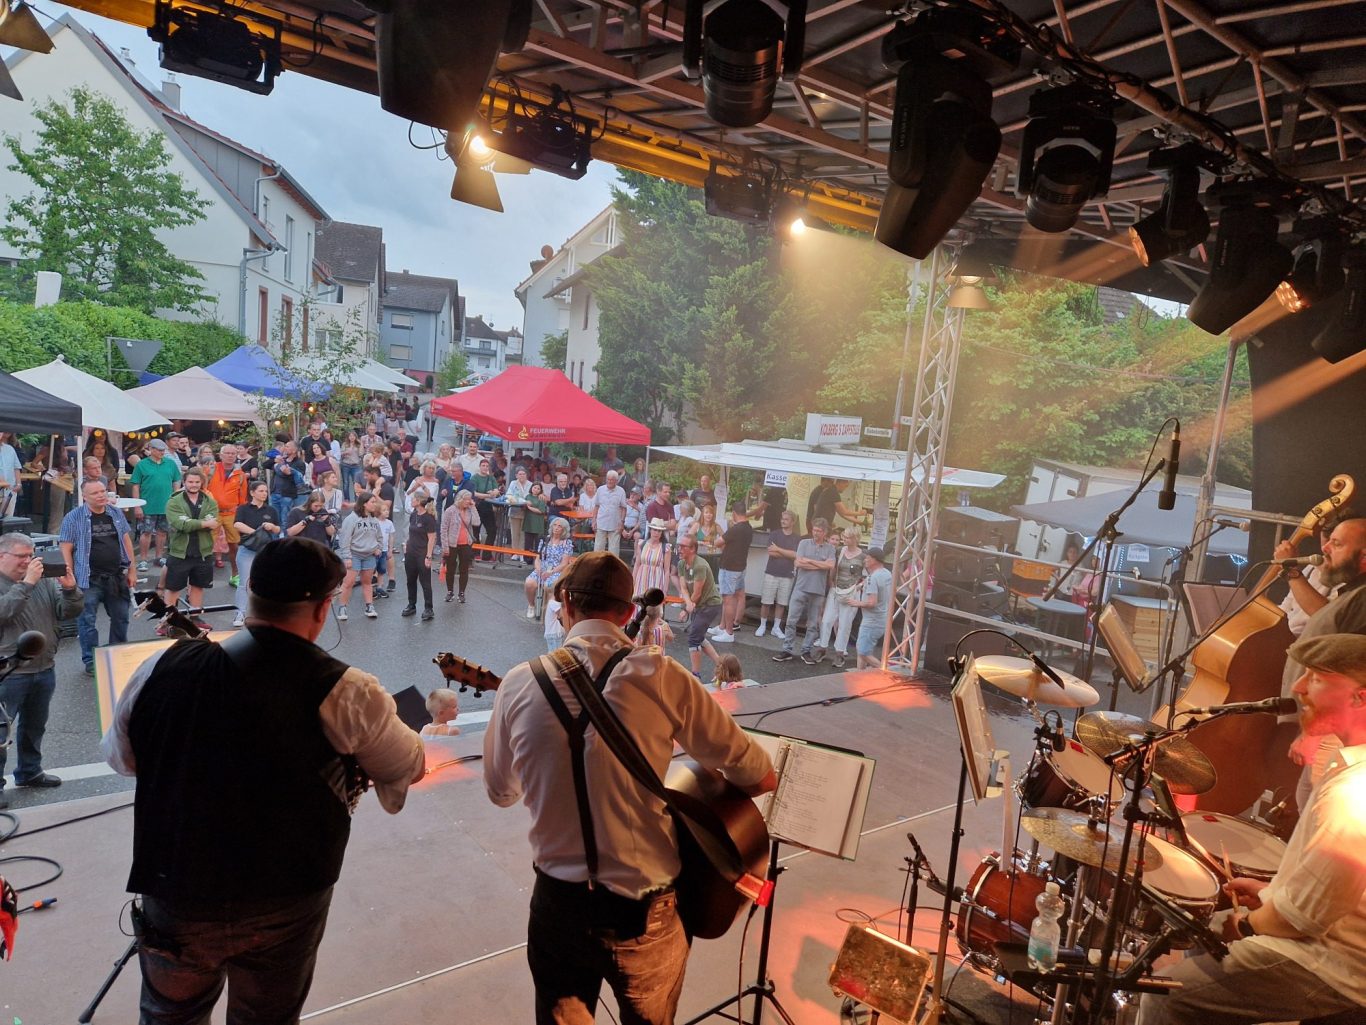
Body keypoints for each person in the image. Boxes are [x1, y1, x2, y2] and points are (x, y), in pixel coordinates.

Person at [101, 537, 425, 1023]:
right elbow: (407, 766)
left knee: (169, 1015)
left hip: (176, 887)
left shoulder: (160, 665)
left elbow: (121, 760)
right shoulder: (347, 690)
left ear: (250, 589)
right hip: (286, 894)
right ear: (323, 608)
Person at [483, 551, 776, 1025]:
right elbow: (760, 775)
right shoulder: (662, 675)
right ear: (626, 612)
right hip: (645, 913)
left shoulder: (520, 682)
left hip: (558, 906)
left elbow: (501, 791)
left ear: (565, 603)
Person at [1136, 632, 1366, 1025]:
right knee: (1203, 935)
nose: (1296, 687)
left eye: (1315, 677)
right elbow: (1333, 891)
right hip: (1326, 941)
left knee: (1164, 995)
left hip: (1329, 966)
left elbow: (1301, 921)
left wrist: (1243, 923)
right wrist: (1270, 893)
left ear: (1359, 697)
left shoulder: (1351, 796)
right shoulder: (1348, 771)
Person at [0, 534, 81, 806]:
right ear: (2, 556)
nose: (29, 561)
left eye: (31, 554)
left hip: (44, 667)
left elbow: (65, 612)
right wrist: (26, 584)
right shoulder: (23, 581)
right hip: (9, 672)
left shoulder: (42, 580)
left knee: (34, 726)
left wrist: (70, 590)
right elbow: (3, 612)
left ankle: (29, 771)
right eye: (22, 556)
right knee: (1, 734)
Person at [60, 479, 137, 675]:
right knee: (87, 622)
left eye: (103, 491)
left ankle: (117, 653)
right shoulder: (73, 517)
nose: (101, 495)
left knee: (121, 617)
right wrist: (69, 576)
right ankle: (91, 661)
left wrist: (132, 570)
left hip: (116, 576)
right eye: (95, 493)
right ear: (84, 497)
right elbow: (65, 548)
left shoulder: (115, 513)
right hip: (88, 579)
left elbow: (126, 542)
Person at [773, 518, 836, 664]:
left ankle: (806, 650)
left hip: (818, 590)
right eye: (814, 530)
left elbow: (830, 566)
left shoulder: (830, 548)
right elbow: (798, 562)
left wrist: (810, 561)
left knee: (813, 623)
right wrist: (820, 564)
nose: (815, 533)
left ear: (825, 532)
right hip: (800, 587)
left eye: (819, 531)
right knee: (791, 620)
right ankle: (787, 649)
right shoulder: (803, 543)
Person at [163, 469, 219, 621]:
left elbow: (213, 522)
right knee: (173, 588)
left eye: (197, 482)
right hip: (180, 552)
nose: (194, 485)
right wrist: (204, 523)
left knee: (198, 586)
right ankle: (168, 620)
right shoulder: (174, 501)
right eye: (190, 482)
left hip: (203, 551)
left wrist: (193, 523)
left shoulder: (209, 501)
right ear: (184, 482)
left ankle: (195, 618)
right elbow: (181, 524)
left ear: (201, 483)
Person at [814, 527, 867, 669]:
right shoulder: (840, 551)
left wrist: (859, 586)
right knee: (826, 620)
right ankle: (822, 648)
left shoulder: (863, 556)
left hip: (851, 592)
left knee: (845, 624)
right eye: (844, 536)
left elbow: (867, 575)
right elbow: (834, 568)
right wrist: (831, 582)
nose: (845, 539)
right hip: (836, 589)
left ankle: (839, 653)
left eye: (848, 537)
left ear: (856, 538)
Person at [233, 481, 282, 629]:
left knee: (265, 582)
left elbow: (278, 529)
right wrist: (256, 532)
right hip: (247, 550)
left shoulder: (271, 510)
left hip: (265, 551)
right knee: (244, 583)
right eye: (261, 491)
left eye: (265, 491)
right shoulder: (243, 509)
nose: (264, 494)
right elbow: (237, 524)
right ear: (252, 493)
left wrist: (272, 527)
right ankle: (240, 612)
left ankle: (264, 614)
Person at [674, 535, 724, 680]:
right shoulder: (682, 563)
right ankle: (722, 667)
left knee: (694, 638)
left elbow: (697, 592)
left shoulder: (700, 565)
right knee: (699, 637)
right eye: (679, 545)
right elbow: (683, 588)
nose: (680, 548)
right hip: (699, 605)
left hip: (710, 604)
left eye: (683, 546)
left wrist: (686, 609)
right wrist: (687, 605)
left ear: (692, 549)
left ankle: (695, 675)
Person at [129, 438, 182, 572]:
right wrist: (137, 505)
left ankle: (159, 557)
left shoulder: (170, 464)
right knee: (145, 532)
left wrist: (176, 499)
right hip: (147, 504)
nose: (162, 452)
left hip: (166, 504)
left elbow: (176, 481)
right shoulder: (141, 465)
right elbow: (136, 486)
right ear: (151, 450)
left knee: (162, 532)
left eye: (163, 450)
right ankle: (143, 559)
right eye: (159, 450)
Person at [336, 492, 385, 621]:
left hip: (369, 555)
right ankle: (342, 607)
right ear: (364, 504)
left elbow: (379, 537)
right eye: (372, 502)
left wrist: (379, 548)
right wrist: (347, 557)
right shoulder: (351, 519)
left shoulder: (374, 520)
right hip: (354, 554)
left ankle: (369, 606)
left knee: (367, 582)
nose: (375, 504)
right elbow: (345, 539)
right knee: (349, 582)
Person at [205, 443, 248, 586]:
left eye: (233, 453)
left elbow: (242, 498)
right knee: (206, 544)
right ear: (220, 455)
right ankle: (203, 576)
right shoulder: (210, 469)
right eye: (227, 453)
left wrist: (241, 515)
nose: (230, 456)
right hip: (212, 513)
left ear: (236, 456)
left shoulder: (240, 474)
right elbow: (203, 489)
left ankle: (235, 575)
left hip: (231, 513)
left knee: (235, 545)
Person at [712, 501, 753, 643]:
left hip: (729, 568)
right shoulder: (749, 528)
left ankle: (729, 633)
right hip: (741, 567)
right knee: (737, 595)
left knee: (728, 600)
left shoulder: (736, 529)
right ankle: (722, 626)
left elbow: (718, 542)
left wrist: (723, 531)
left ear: (735, 513)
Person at [757, 509, 800, 639]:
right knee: (766, 601)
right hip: (772, 572)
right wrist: (787, 553)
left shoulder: (797, 538)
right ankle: (762, 625)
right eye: (782, 518)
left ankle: (776, 627)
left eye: (786, 519)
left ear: (793, 522)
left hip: (787, 574)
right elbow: (771, 552)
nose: (783, 521)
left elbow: (796, 555)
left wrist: (779, 549)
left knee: (782, 602)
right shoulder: (774, 534)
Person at [525, 517, 576, 618]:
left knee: (549, 585)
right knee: (529, 582)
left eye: (559, 526)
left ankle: (548, 613)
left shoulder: (567, 543)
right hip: (542, 569)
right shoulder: (545, 539)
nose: (556, 528)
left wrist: (551, 572)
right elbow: (538, 558)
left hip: (556, 571)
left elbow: (564, 563)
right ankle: (531, 605)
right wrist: (538, 568)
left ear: (564, 530)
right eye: (555, 525)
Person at [851, 548, 893, 669]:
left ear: (874, 560)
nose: (865, 560)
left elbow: (871, 603)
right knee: (861, 649)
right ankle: (860, 675)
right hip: (881, 618)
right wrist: (862, 584)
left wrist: (856, 603)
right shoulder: (886, 573)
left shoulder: (872, 578)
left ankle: (886, 673)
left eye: (867, 557)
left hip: (872, 621)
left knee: (863, 652)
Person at [402, 491, 437, 621]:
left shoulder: (429, 518)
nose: (411, 501)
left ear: (419, 501)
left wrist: (428, 556)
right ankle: (412, 605)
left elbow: (432, 538)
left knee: (425, 582)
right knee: (410, 580)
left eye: (413, 499)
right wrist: (406, 544)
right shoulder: (413, 515)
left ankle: (429, 608)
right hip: (410, 552)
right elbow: (411, 532)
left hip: (422, 553)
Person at [440, 489, 480, 604]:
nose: (468, 501)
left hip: (466, 543)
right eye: (467, 499)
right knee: (451, 569)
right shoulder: (450, 511)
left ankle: (462, 592)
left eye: (470, 499)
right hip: (452, 543)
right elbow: (443, 529)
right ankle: (450, 591)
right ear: (460, 499)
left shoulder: (469, 510)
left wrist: (473, 507)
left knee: (464, 569)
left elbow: (476, 522)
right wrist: (445, 546)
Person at [591, 469, 629, 558]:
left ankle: (612, 568)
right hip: (601, 522)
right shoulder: (600, 489)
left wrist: (622, 523)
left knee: (614, 550)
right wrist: (593, 520)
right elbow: (596, 506)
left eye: (612, 479)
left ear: (616, 481)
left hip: (615, 524)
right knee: (598, 548)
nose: (609, 481)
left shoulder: (621, 491)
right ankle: (596, 567)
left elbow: (624, 508)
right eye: (608, 479)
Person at [470, 458, 502, 561]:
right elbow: (474, 493)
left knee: (492, 530)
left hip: (488, 507)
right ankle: (476, 553)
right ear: (480, 467)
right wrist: (487, 495)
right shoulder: (474, 478)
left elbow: (497, 490)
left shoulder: (491, 478)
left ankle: (487, 554)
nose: (485, 468)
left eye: (487, 466)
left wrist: (494, 493)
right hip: (477, 507)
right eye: (483, 465)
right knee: (476, 531)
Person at [270, 440, 307, 524]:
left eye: (287, 446)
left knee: (285, 519)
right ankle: (276, 537)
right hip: (275, 493)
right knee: (274, 520)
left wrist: (288, 473)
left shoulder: (300, 463)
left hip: (287, 495)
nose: (284, 448)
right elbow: (265, 464)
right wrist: (274, 461)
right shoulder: (281, 460)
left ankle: (285, 536)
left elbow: (298, 480)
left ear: (294, 450)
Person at [506, 466, 534, 562]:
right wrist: (520, 500)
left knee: (523, 533)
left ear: (526, 475)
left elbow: (532, 497)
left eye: (523, 474)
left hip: (526, 512)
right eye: (520, 474)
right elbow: (509, 495)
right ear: (516, 475)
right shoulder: (513, 483)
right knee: (514, 532)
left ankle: (522, 553)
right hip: (514, 511)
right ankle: (515, 552)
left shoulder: (531, 484)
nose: (522, 476)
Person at [523, 481, 549, 561]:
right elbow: (523, 507)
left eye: (538, 488)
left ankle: (538, 560)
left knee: (538, 542)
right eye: (534, 487)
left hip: (538, 523)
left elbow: (541, 511)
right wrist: (524, 505)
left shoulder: (541, 498)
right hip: (528, 522)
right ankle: (527, 559)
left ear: (540, 490)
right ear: (531, 488)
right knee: (528, 542)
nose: (536, 490)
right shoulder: (527, 496)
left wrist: (529, 508)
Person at [339, 431, 364, 499]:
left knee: (356, 483)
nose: (352, 437)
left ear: (356, 437)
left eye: (353, 436)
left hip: (355, 465)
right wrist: (345, 452)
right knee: (346, 483)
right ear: (348, 437)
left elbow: (361, 454)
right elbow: (340, 454)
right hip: (345, 465)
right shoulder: (345, 444)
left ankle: (357, 500)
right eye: (350, 436)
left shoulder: (358, 444)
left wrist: (361, 444)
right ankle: (347, 499)